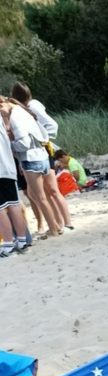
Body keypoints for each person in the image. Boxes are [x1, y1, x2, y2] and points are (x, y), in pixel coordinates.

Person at [9, 82, 73, 231]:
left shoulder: (30, 107)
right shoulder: (25, 108)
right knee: (47, 191)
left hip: (40, 151)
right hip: (41, 151)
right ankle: (59, 223)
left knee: (48, 191)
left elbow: (52, 125)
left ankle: (62, 224)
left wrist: (43, 139)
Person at [0, 96, 62, 238]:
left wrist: (9, 146)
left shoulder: (15, 117)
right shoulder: (23, 112)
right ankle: (56, 224)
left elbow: (24, 143)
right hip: (42, 155)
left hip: (31, 159)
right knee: (39, 195)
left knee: (40, 197)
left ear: (2, 104)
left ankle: (53, 228)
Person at [0, 118, 29, 253]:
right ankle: (22, 240)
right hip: (8, 167)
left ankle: (8, 244)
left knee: (1, 209)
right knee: (14, 204)